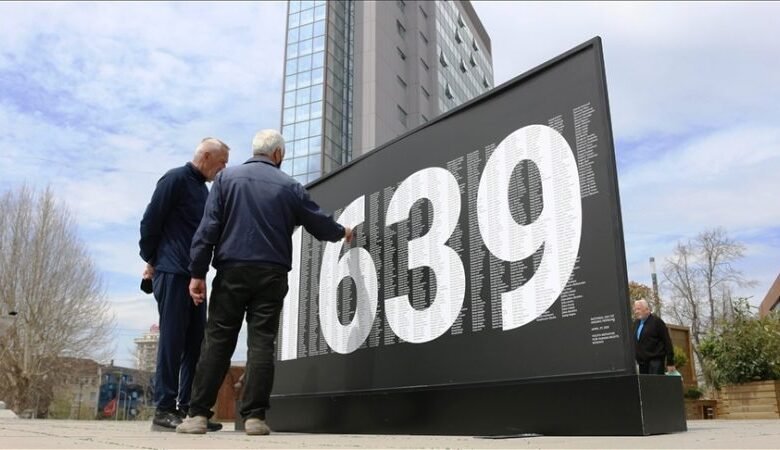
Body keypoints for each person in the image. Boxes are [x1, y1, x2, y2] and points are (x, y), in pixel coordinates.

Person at [176, 129, 352, 435]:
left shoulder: (226, 179)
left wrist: (197, 273)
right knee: (262, 342)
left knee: (218, 340)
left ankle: (198, 416)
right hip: (272, 273)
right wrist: (343, 232)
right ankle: (255, 418)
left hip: (231, 270)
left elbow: (208, 228)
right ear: (278, 154)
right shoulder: (290, 186)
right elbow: (319, 223)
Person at [139, 138, 230, 431]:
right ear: (206, 156)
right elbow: (150, 222)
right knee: (172, 341)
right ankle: (163, 409)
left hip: (194, 277)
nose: (223, 168)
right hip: (172, 272)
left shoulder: (203, 190)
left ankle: (189, 409)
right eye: (221, 162)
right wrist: (153, 259)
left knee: (195, 344)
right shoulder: (175, 179)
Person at [632, 299, 675, 375]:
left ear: (647, 309)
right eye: (635, 310)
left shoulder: (657, 322)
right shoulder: (636, 323)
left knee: (655, 382)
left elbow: (667, 342)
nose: (636, 312)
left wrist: (670, 362)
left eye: (638, 309)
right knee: (645, 383)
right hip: (642, 363)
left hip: (656, 362)